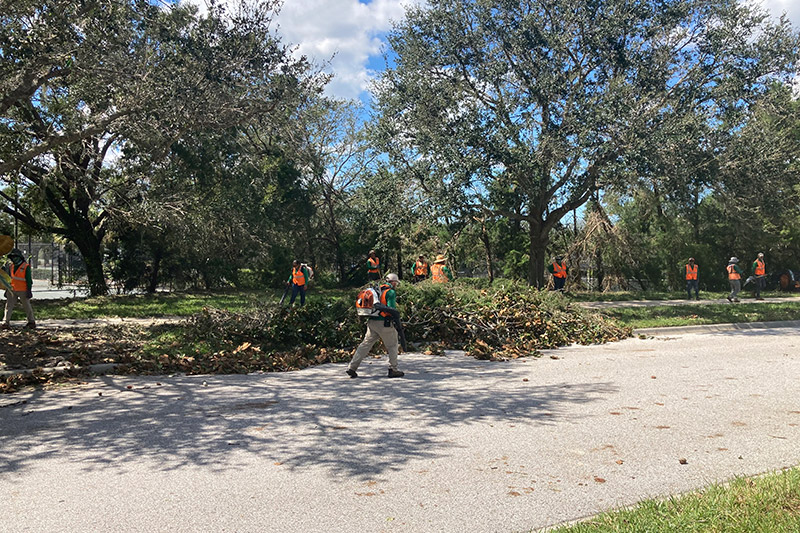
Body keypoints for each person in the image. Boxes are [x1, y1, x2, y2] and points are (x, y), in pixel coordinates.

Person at [347, 273, 404, 378]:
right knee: (392, 345)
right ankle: (393, 369)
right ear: (393, 282)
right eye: (396, 282)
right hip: (384, 323)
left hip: (372, 322)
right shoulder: (390, 292)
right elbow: (391, 309)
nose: (396, 284)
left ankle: (352, 367)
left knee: (365, 344)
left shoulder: (377, 290)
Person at [2, 248, 35, 329]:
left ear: (20, 257)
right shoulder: (11, 266)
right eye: (12, 257)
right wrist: (7, 289)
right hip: (12, 289)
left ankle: (31, 322)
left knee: (26, 305)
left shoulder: (26, 267)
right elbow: (10, 278)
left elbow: (29, 280)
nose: (14, 258)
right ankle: (5, 323)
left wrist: (29, 290)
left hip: (23, 289)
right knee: (8, 306)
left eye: (15, 256)